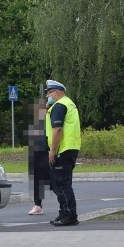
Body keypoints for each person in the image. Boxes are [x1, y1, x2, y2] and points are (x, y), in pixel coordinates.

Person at [44, 79, 81, 226]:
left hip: (62, 149)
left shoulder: (60, 106)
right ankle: (64, 212)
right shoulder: (67, 103)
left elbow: (57, 129)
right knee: (59, 183)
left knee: (62, 184)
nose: (48, 96)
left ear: (58, 92)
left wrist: (52, 150)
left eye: (50, 93)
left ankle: (70, 215)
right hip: (69, 148)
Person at [27, 100, 51, 215]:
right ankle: (37, 205)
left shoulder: (56, 112)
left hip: (50, 150)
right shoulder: (38, 122)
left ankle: (66, 203)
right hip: (38, 151)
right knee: (37, 179)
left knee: (54, 179)